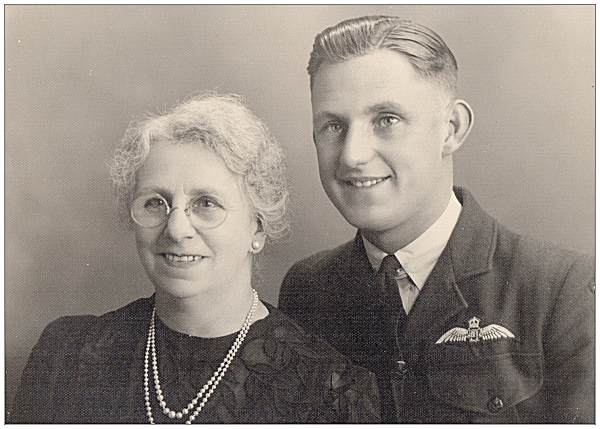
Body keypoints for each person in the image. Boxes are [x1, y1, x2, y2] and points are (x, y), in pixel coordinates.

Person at [279, 15, 594, 424]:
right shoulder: (308, 290)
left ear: (451, 129)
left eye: (386, 120)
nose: (352, 155)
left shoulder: (562, 290)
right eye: (333, 125)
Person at [9, 93, 380, 423]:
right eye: (156, 202)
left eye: (206, 203)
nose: (176, 229)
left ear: (258, 228)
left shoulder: (331, 395)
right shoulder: (67, 356)